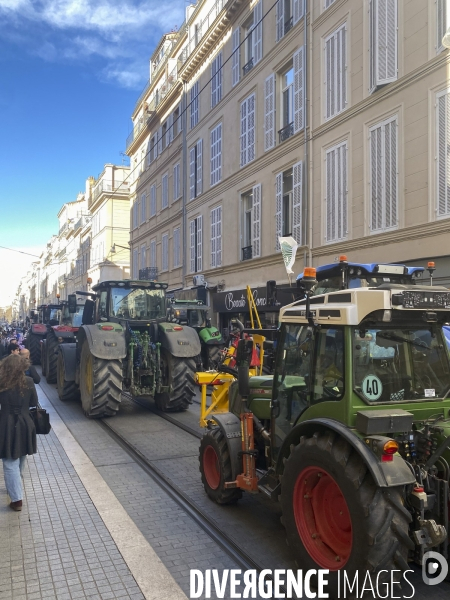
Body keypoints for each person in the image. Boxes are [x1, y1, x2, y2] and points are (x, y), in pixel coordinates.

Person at [0, 355, 38, 511]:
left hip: (6, 424)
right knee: (21, 455)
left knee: (10, 462)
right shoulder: (28, 382)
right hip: (25, 423)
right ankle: (15, 485)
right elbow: (33, 403)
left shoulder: (2, 383)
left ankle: (17, 500)